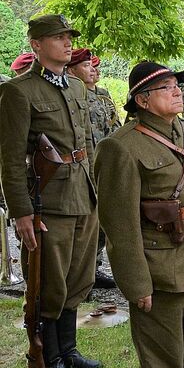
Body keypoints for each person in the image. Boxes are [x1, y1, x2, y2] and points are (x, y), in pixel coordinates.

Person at [94, 62, 184, 368]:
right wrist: (137, 283)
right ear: (142, 100)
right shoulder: (121, 146)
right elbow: (119, 225)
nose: (177, 91)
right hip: (162, 269)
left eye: (177, 85)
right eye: (166, 87)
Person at [0, 14, 102, 368]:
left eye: (68, 36)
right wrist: (21, 211)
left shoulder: (76, 87)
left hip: (83, 194)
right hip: (49, 200)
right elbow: (10, 158)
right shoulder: (18, 91)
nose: (67, 42)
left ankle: (69, 351)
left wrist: (95, 189)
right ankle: (49, 357)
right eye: (57, 37)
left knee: (78, 277)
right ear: (37, 45)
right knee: (50, 283)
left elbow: (85, 143)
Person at [67, 48, 120, 290]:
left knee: (101, 222)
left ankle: (94, 269)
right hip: (83, 167)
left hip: (103, 165)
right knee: (84, 222)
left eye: (92, 65)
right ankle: (79, 275)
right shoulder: (70, 95)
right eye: (86, 65)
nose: (93, 69)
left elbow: (114, 127)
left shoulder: (104, 96)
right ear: (72, 70)